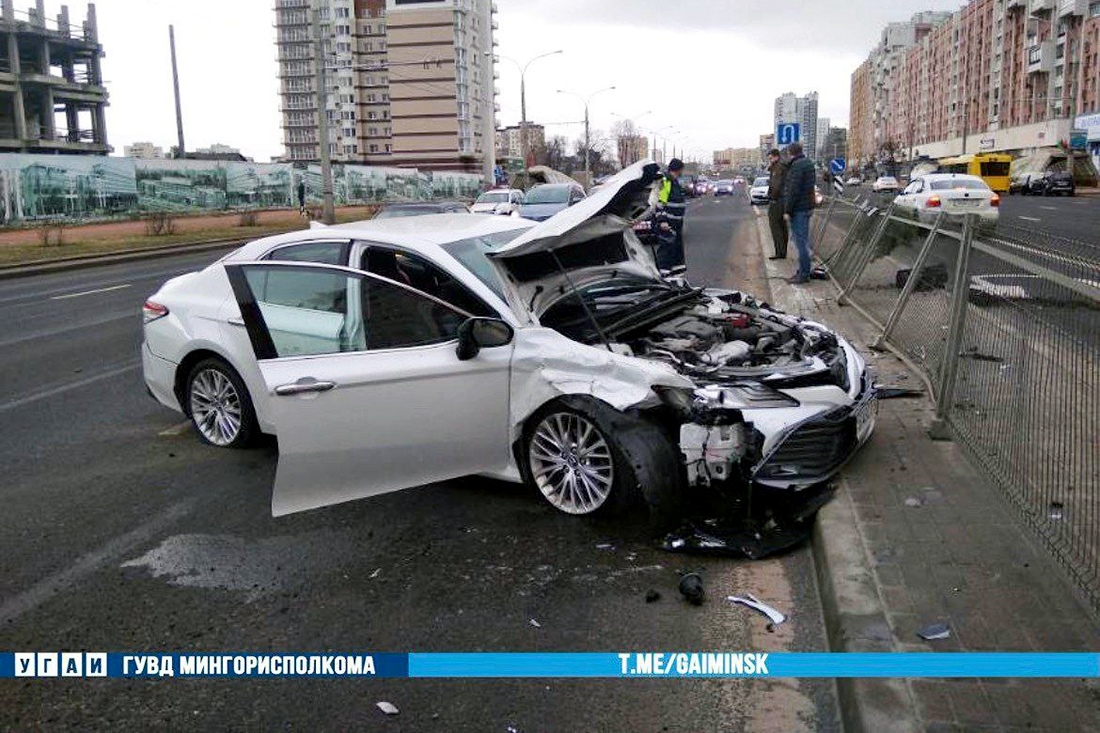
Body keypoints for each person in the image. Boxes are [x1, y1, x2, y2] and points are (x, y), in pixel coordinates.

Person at [783, 142, 816, 284]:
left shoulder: (796, 166)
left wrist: (787, 210)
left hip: (799, 209)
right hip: (807, 206)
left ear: (790, 153)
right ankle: (804, 270)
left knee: (800, 242)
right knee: (803, 241)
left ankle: (803, 274)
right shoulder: (808, 163)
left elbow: (793, 190)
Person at [655, 157, 688, 276]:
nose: (682, 172)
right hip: (668, 223)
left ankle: (676, 276)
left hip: (676, 223)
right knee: (666, 249)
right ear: (677, 169)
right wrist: (662, 221)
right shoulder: (666, 181)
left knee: (676, 250)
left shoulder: (674, 181)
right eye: (681, 170)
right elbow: (659, 202)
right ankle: (663, 277)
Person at [766, 148, 788, 260]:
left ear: (776, 156)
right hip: (784, 200)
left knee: (775, 226)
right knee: (783, 226)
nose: (769, 160)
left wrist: (772, 197)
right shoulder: (783, 166)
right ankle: (783, 251)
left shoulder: (778, 168)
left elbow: (776, 185)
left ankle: (779, 252)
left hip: (778, 200)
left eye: (770, 158)